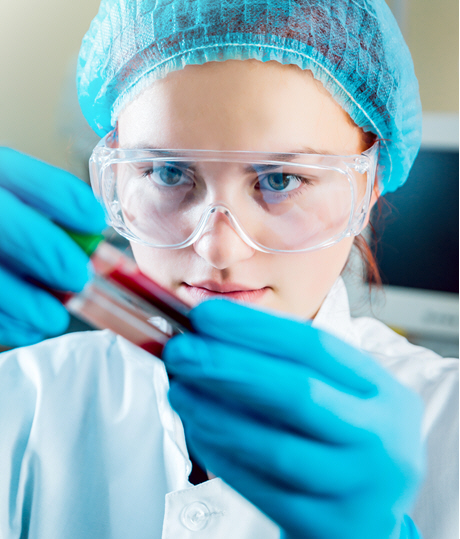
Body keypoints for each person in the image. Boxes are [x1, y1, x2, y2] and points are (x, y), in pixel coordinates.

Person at [0, 0, 457, 538]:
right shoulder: (22, 398)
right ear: (116, 176)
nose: (218, 249)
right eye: (169, 172)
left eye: (281, 180)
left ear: (369, 186)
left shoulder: (447, 422)